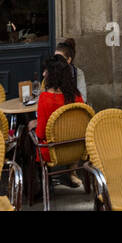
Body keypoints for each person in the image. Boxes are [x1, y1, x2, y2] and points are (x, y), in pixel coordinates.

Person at [34, 57, 85, 185]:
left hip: (54, 151)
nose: (43, 74)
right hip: (77, 149)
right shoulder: (77, 96)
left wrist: (33, 126)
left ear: (53, 75)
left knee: (27, 140)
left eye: (46, 70)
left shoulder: (45, 98)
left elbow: (40, 134)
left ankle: (38, 186)